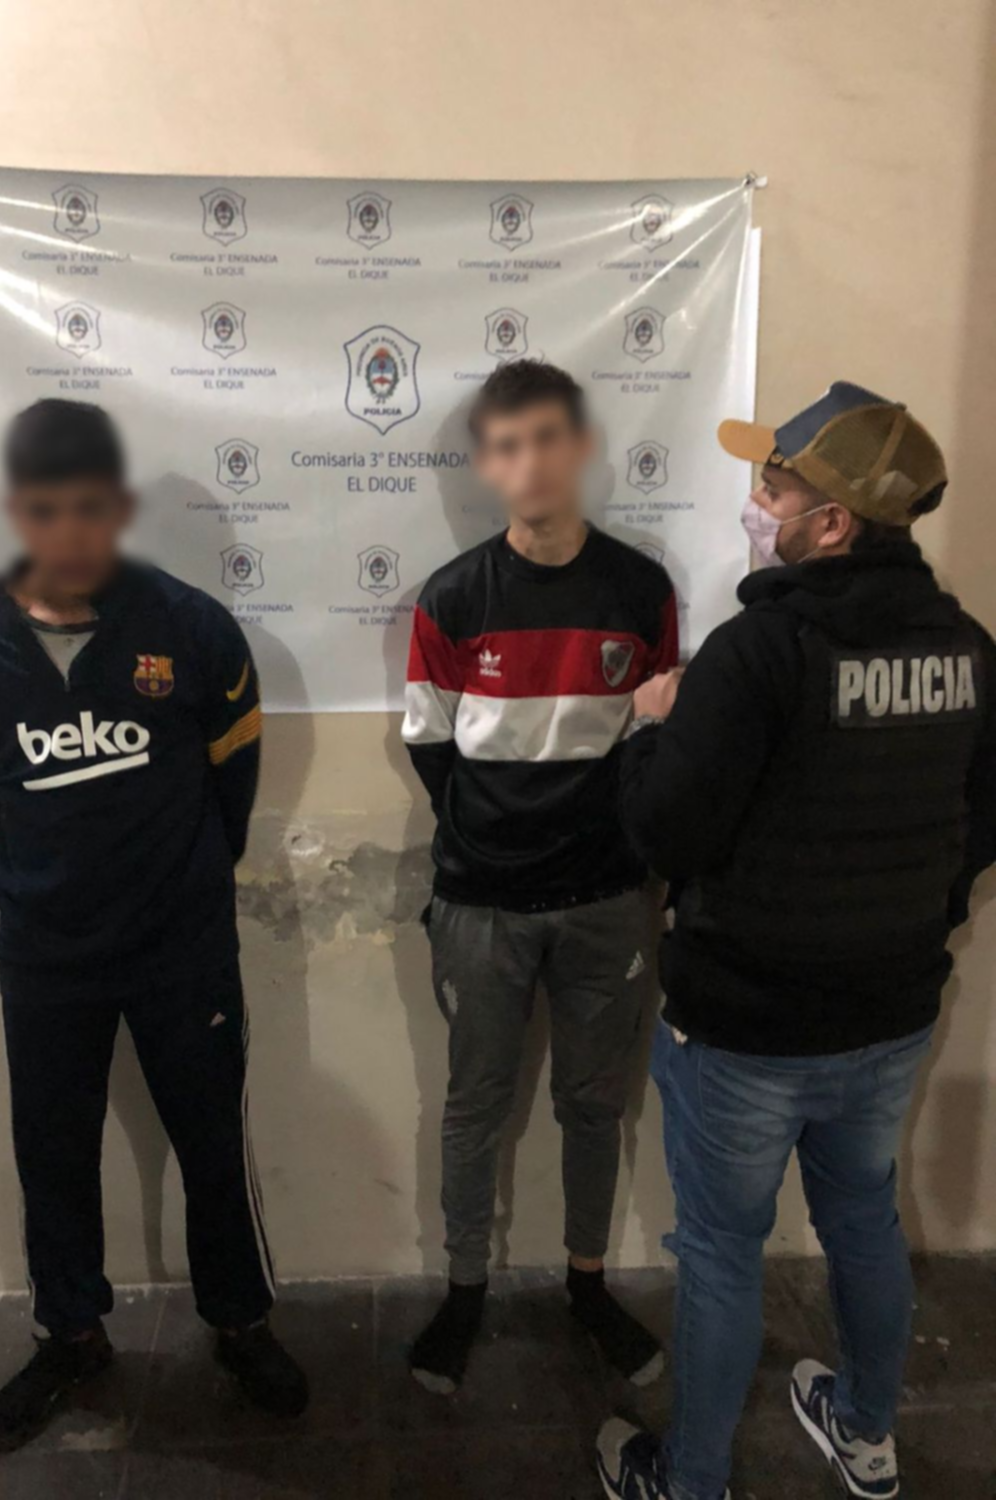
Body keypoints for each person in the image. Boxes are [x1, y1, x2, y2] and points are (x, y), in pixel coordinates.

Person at [597, 382, 996, 1500]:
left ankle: (692, 1482)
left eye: (774, 485)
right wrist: (916, 920)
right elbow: (982, 822)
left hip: (745, 1029)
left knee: (722, 1254)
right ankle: (866, 1434)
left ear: (830, 524)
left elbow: (666, 832)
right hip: (890, 1014)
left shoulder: (758, 650)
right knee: (863, 1218)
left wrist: (649, 731)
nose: (756, 500)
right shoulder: (967, 646)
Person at [0, 399, 308, 1452]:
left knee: (210, 1144)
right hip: (47, 958)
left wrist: (178, 877)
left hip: (180, 949)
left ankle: (239, 1321)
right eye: (47, 510)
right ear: (19, 512)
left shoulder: (190, 627)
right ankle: (70, 1332)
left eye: (91, 508)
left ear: (119, 508)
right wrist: (63, 875)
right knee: (51, 1152)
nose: (70, 533)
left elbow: (233, 778)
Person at [402, 360, 680, 1393]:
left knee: (593, 1106)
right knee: (474, 1105)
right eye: (507, 445)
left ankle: (587, 1283)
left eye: (549, 438)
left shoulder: (642, 591)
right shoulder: (451, 597)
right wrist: (502, 835)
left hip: (608, 901)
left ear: (582, 446)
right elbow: (432, 748)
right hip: (482, 904)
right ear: (486, 465)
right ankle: (463, 1290)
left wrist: (603, 843)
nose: (531, 462)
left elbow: (655, 739)